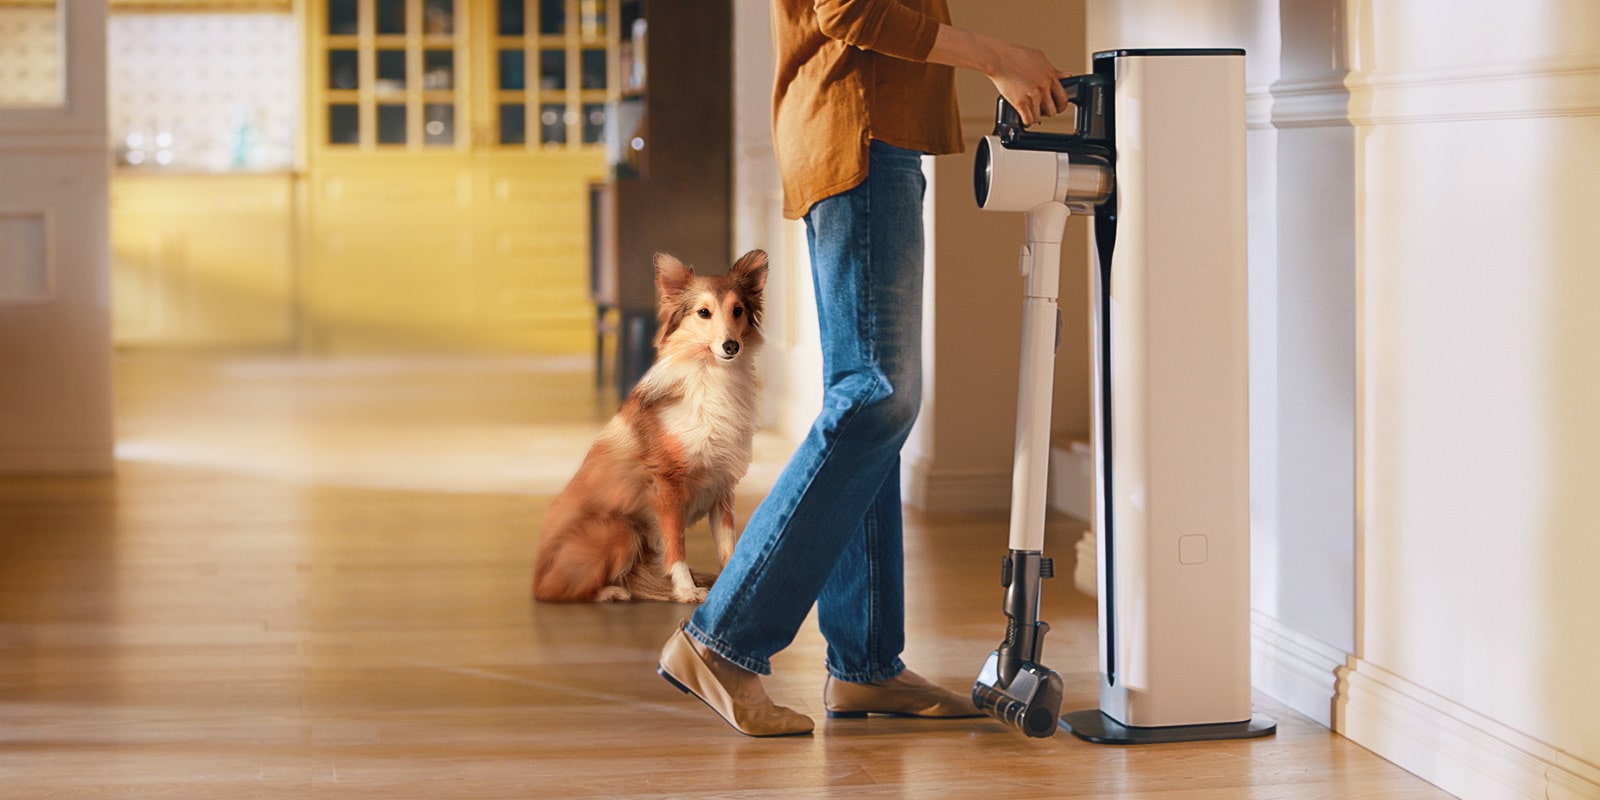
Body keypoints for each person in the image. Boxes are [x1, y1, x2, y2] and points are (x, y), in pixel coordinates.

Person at [656, 0, 1073, 736]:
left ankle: (866, 664)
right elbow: (848, 10)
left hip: (869, 133)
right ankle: (721, 640)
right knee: (875, 395)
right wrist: (996, 56)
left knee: (872, 406)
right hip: (858, 131)